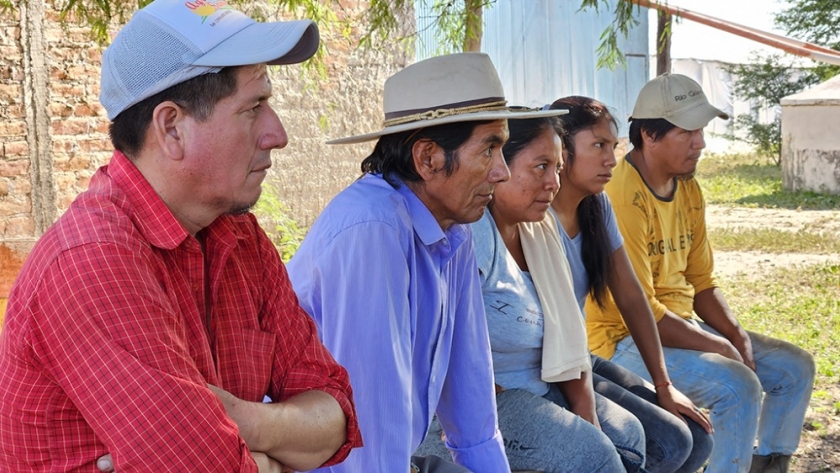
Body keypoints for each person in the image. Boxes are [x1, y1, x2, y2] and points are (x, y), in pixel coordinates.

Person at [0, 1, 362, 471]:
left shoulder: (240, 239)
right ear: (172, 128)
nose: (278, 134)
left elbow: (337, 415)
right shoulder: (92, 261)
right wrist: (277, 455)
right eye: (254, 107)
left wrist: (243, 424)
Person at [287, 53, 566, 473]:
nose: (502, 172)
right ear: (427, 158)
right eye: (489, 149)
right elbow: (369, 420)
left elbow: (470, 388)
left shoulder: (452, 228)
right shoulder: (373, 229)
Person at [415, 113, 698, 473]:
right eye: (541, 167)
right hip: (484, 402)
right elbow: (440, 354)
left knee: (633, 439)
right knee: (595, 458)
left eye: (558, 168)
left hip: (541, 383)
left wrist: (586, 418)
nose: (553, 182)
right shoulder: (474, 235)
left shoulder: (540, 232)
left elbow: (570, 337)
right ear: (501, 165)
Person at [585, 73, 815, 473]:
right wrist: (721, 348)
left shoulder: (687, 187)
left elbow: (703, 284)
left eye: (702, 130)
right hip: (623, 339)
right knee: (737, 386)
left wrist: (735, 334)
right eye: (688, 131)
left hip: (678, 324)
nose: (701, 143)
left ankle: (768, 465)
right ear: (649, 135)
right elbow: (640, 310)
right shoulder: (621, 196)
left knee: (795, 368)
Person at [548, 95, 713, 472]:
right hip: (551, 364)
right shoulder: (535, 213)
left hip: (579, 358)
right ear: (561, 149)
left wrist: (663, 384)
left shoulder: (596, 205)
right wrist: (584, 407)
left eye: (613, 145)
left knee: (697, 437)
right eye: (599, 146)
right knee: (668, 444)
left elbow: (630, 294)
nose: (611, 158)